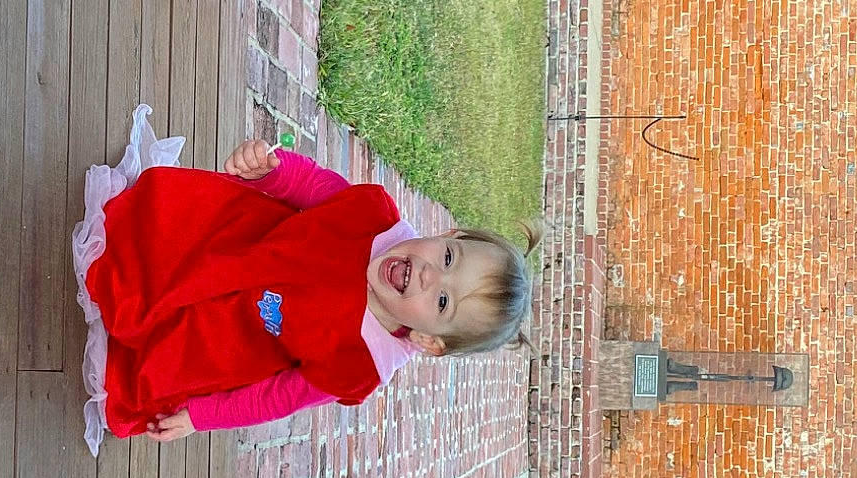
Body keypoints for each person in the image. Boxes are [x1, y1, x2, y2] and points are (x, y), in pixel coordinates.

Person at [72, 105, 538, 454]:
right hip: (234, 244)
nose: (430, 275)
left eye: (442, 302)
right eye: (449, 257)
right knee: (162, 232)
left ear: (428, 340)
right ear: (448, 235)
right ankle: (130, 260)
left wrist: (201, 416)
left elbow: (279, 397)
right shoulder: (375, 217)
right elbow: (316, 188)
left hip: (233, 337)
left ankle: (144, 331)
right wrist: (273, 172)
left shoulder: (359, 365)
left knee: (164, 357)